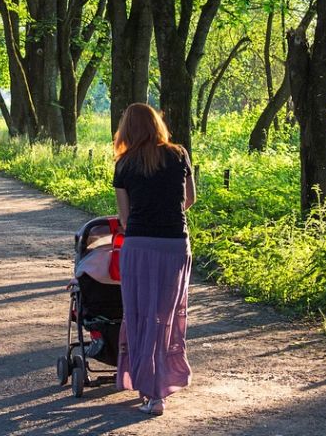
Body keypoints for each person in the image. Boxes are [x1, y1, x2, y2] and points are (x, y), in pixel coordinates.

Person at [112, 103, 196, 416]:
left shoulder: (124, 164)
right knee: (167, 316)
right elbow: (189, 199)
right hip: (174, 244)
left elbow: (124, 217)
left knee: (139, 315)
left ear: (127, 130)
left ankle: (150, 391)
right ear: (157, 124)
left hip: (139, 245)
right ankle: (162, 384)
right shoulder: (179, 154)